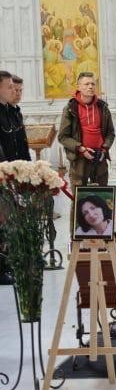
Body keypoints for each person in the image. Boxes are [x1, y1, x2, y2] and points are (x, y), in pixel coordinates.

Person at [58, 72, 115, 187]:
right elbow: (63, 137)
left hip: (100, 158)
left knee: (102, 199)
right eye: (86, 84)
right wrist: (81, 149)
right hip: (79, 159)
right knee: (79, 200)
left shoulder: (103, 108)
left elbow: (111, 133)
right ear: (78, 87)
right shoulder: (70, 109)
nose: (90, 87)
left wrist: (104, 149)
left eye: (93, 84)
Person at [0, 71, 29, 286]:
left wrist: (27, 169)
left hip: (14, 172)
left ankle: (10, 262)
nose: (13, 90)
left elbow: (20, 144)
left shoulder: (11, 111)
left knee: (11, 220)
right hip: (3, 174)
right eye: (9, 87)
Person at [0, 71, 30, 162]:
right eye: (10, 87)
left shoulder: (9, 110)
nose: (14, 92)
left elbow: (20, 142)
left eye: (19, 90)